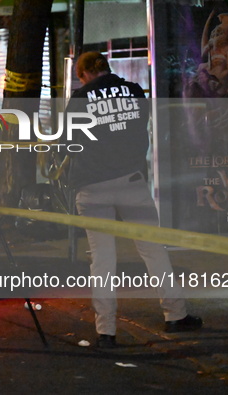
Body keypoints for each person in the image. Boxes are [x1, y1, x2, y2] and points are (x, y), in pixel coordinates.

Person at [66, 51, 202, 348]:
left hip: (92, 186)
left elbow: (71, 142)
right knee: (153, 250)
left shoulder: (79, 99)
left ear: (84, 74)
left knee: (102, 259)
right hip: (131, 181)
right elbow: (142, 126)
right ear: (106, 67)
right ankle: (176, 314)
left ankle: (106, 331)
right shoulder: (134, 91)